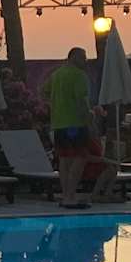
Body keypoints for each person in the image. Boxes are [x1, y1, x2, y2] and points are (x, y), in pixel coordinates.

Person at [42, 47, 95, 209]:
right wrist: (88, 118)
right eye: (83, 57)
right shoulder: (79, 76)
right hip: (75, 123)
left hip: (58, 123)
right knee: (80, 158)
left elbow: (43, 92)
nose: (85, 60)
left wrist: (55, 105)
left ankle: (66, 196)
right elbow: (81, 101)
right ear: (74, 57)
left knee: (64, 160)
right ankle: (71, 195)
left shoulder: (56, 75)